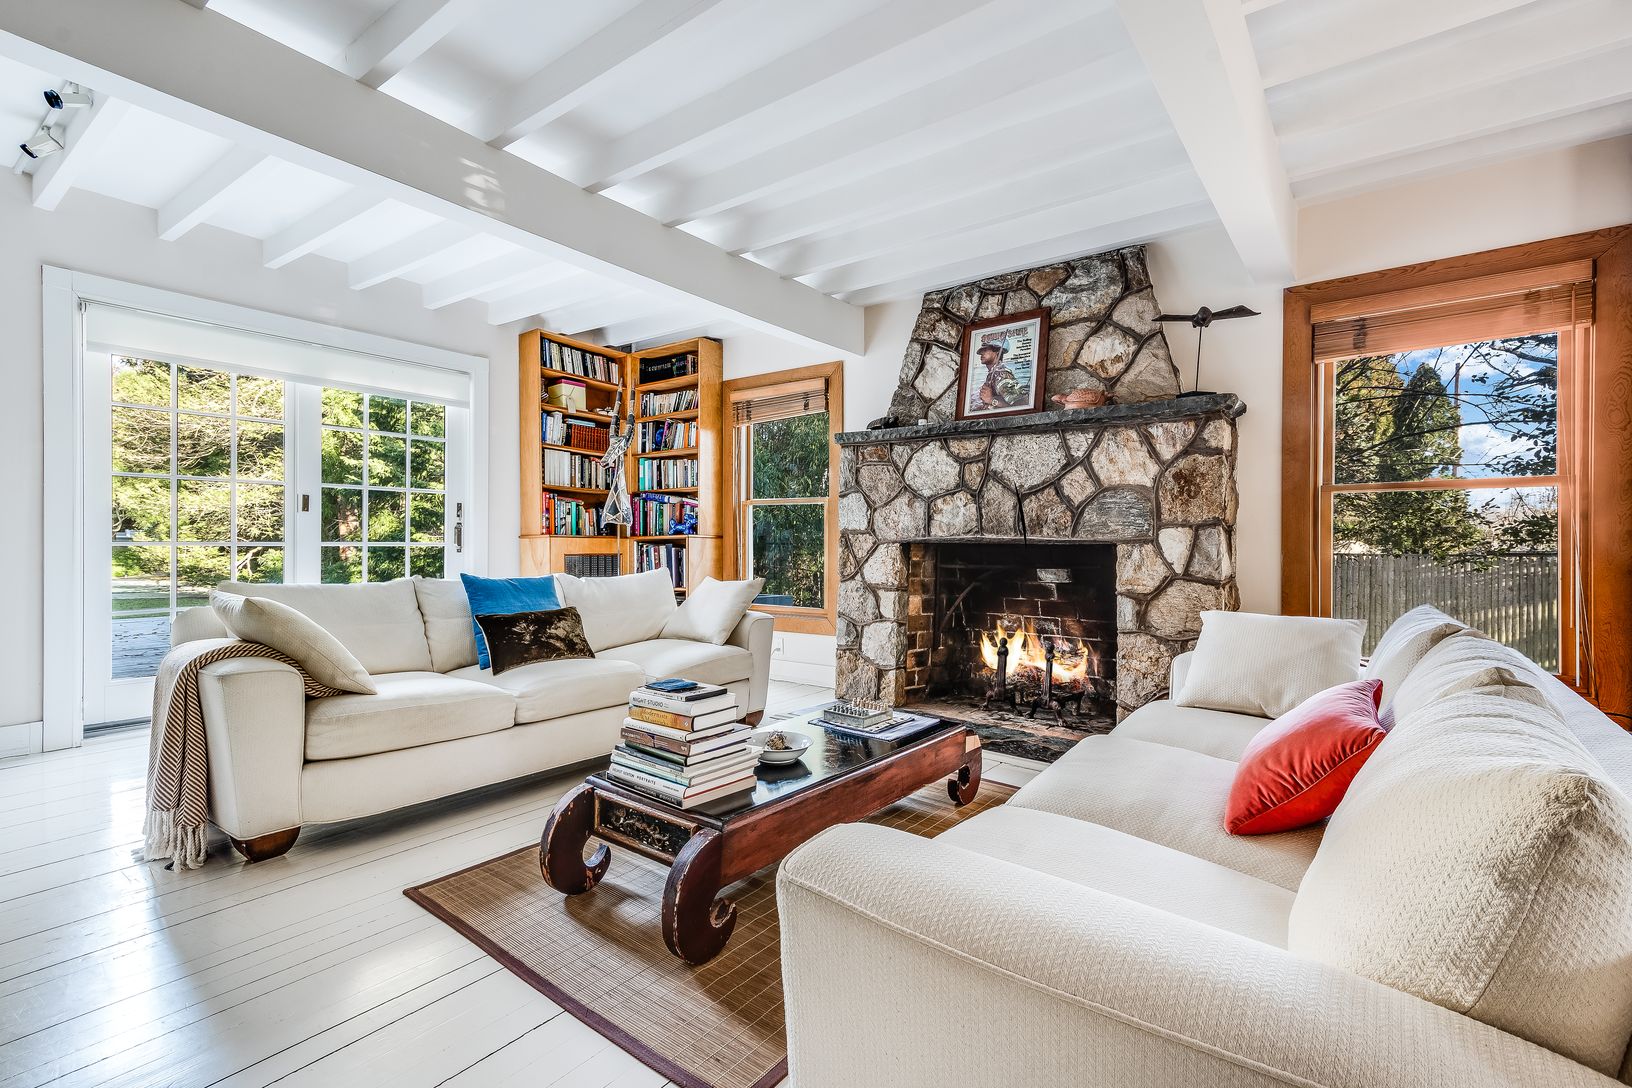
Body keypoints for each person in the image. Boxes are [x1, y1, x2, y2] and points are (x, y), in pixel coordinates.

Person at [971, 340, 1018, 411]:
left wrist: (991, 400)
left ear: (997, 352)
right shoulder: (992, 373)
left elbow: (1019, 404)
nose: (981, 354)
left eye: (986, 350)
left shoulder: (1002, 374)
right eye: (981, 351)